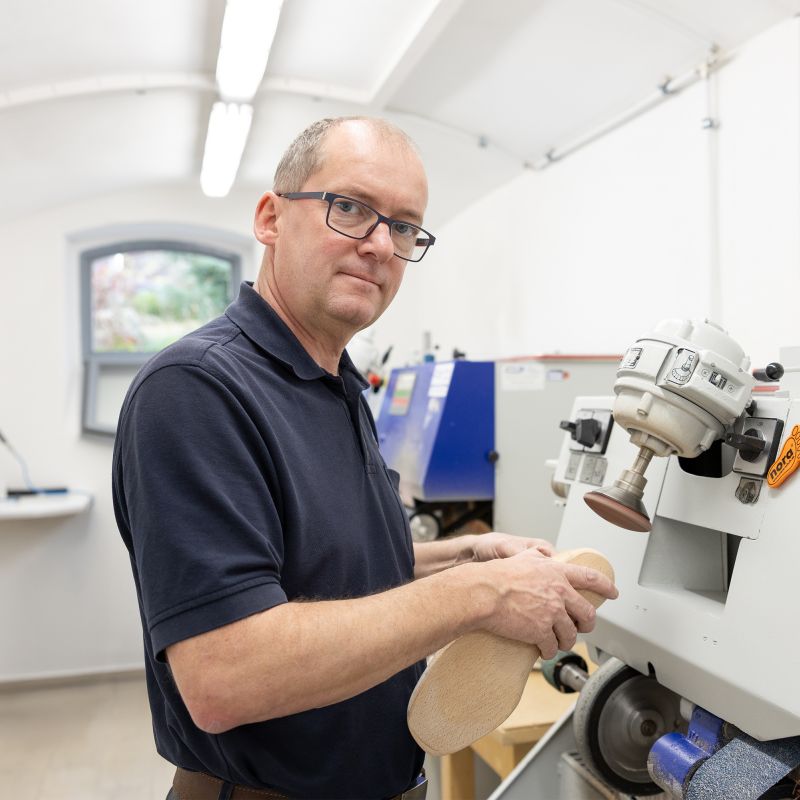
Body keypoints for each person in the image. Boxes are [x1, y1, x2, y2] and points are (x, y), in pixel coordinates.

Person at [112, 116, 618, 800]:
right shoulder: (198, 389)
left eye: (405, 226)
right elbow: (224, 676)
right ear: (270, 218)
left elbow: (321, 567)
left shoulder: (337, 386)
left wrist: (468, 558)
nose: (380, 244)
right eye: (349, 208)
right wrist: (481, 595)